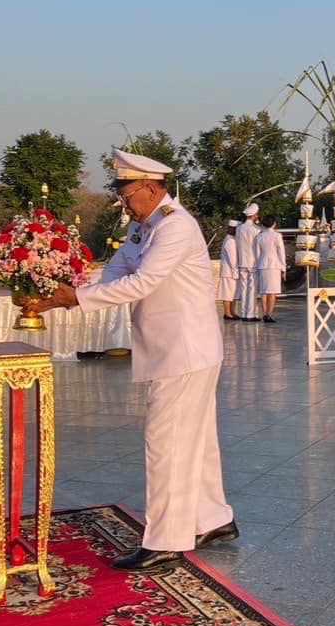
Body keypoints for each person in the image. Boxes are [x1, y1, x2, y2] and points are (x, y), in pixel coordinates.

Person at [32, 149, 237, 572]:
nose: (122, 203)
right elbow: (115, 272)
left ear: (150, 187)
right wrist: (63, 295)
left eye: (126, 193)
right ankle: (214, 519)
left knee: (166, 444)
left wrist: (79, 299)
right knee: (195, 441)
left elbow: (142, 283)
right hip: (177, 348)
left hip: (184, 350)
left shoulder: (176, 227)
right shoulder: (145, 227)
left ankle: (165, 539)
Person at [254, 214, 285, 322]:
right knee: (272, 292)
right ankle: (269, 314)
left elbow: (257, 253)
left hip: (262, 264)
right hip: (274, 265)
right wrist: (283, 268)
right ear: (274, 224)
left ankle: (264, 313)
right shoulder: (277, 236)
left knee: (264, 291)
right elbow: (281, 252)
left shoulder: (259, 236)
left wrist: (258, 265)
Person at [235, 203, 261, 321]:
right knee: (252, 288)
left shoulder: (239, 228)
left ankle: (244, 313)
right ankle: (251, 314)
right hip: (253, 262)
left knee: (244, 288)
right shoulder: (256, 229)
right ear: (254, 215)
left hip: (242, 261)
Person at [217, 219, 240, 319]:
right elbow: (232, 259)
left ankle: (232, 312)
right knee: (227, 293)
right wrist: (235, 272)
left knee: (232, 293)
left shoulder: (231, 239)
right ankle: (227, 313)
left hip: (230, 271)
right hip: (228, 272)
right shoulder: (230, 241)